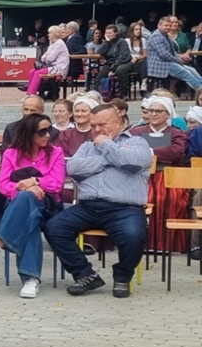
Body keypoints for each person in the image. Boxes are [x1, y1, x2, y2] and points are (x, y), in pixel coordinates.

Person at [44, 104, 152, 299]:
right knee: (54, 228)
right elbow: (73, 169)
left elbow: (134, 163)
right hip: (88, 206)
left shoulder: (137, 142)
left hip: (125, 207)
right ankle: (85, 274)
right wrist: (110, 160)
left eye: (102, 124)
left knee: (134, 235)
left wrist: (105, 145)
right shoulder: (87, 146)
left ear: (118, 122)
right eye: (93, 126)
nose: (96, 129)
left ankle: (122, 277)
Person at [0, 114, 65, 298]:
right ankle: (31, 280)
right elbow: (2, 185)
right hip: (21, 207)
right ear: (29, 133)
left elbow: (57, 183)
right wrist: (21, 187)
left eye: (49, 130)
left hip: (49, 206)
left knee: (27, 202)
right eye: (42, 131)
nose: (48, 135)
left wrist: (35, 182)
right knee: (29, 218)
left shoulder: (56, 152)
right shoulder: (11, 154)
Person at [131, 95, 189, 253]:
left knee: (170, 199)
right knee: (146, 198)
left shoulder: (177, 133)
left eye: (158, 111)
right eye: (151, 111)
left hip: (169, 176)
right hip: (142, 176)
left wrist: (149, 152)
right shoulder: (137, 131)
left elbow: (177, 151)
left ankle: (169, 245)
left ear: (168, 114)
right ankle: (144, 244)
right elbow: (129, 149)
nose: (154, 114)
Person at [148, 16, 202, 91]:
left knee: (192, 70)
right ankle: (200, 91)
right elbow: (164, 55)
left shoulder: (165, 36)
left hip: (169, 62)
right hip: (161, 65)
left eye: (169, 26)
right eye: (166, 25)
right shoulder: (156, 36)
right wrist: (178, 60)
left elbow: (173, 52)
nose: (168, 27)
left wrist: (180, 57)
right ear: (159, 25)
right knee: (186, 73)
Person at [22, 26, 68, 96]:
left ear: (55, 34)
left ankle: (31, 94)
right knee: (32, 72)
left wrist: (46, 57)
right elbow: (43, 57)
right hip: (51, 66)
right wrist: (46, 57)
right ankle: (30, 91)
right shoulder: (53, 44)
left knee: (38, 73)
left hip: (59, 68)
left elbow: (50, 59)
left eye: (50, 33)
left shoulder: (59, 44)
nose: (48, 35)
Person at [93, 24, 133, 96]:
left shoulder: (122, 42)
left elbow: (123, 56)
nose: (108, 35)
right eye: (107, 33)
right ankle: (95, 94)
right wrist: (106, 42)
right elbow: (99, 52)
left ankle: (123, 94)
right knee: (99, 76)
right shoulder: (107, 43)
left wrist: (112, 69)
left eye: (110, 33)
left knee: (120, 70)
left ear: (116, 33)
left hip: (123, 63)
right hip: (110, 63)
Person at [127, 22, 148, 95]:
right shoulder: (127, 41)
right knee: (143, 65)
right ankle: (142, 83)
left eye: (139, 29)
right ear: (132, 30)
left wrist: (137, 58)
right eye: (136, 29)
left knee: (145, 61)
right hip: (130, 62)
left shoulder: (143, 40)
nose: (138, 31)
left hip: (140, 61)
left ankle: (143, 83)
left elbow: (145, 54)